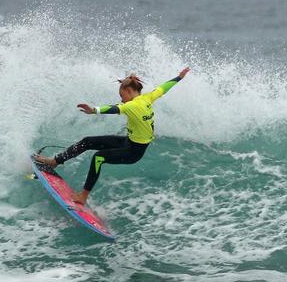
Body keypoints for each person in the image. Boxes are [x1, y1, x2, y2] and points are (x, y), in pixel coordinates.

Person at [33, 67, 191, 204]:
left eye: (122, 95)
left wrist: (94, 110)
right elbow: (164, 88)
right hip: (128, 142)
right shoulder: (148, 97)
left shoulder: (131, 105)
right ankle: (55, 161)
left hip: (133, 152)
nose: (121, 99)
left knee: (98, 157)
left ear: (129, 92)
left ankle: (83, 196)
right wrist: (179, 77)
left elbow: (114, 108)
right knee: (87, 141)